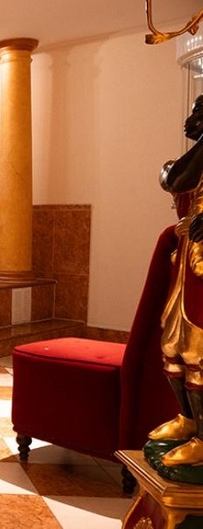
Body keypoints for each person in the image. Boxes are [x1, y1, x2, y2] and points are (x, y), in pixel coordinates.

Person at [148, 94, 203, 466]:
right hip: (187, 264)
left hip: (201, 267)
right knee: (173, 343)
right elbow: (175, 178)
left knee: (199, 349)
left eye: (199, 113)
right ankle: (187, 419)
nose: (190, 119)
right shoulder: (194, 160)